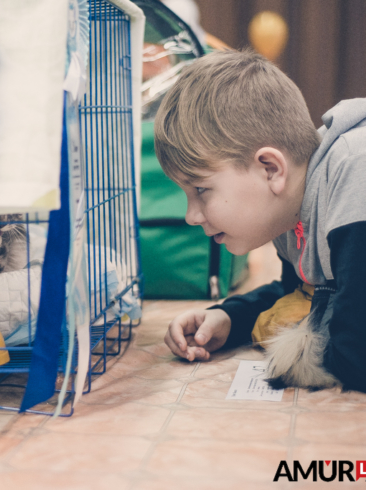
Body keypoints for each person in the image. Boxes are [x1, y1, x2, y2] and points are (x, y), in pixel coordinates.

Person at [154, 49, 366, 392]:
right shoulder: (290, 211)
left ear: (270, 169)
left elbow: (357, 355)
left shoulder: (355, 172)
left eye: (201, 190)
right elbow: (300, 290)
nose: (191, 216)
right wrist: (230, 317)